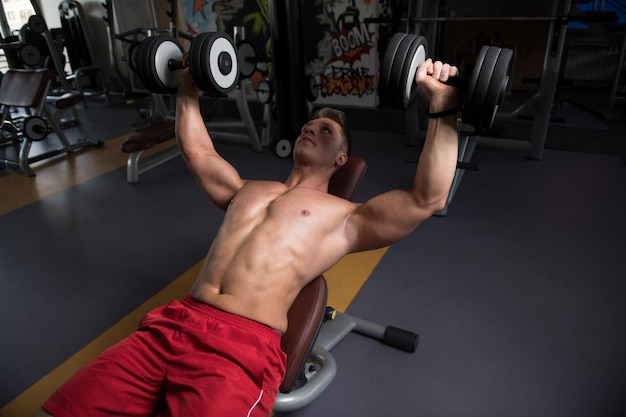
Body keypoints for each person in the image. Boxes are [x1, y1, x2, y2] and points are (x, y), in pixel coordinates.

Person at [37, 57, 461, 417]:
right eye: (308, 126)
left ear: (342, 159)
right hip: (171, 325)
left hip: (240, 349)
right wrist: (186, 86)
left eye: (326, 131)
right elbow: (198, 153)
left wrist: (441, 108)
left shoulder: (347, 218)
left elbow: (426, 197)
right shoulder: (248, 190)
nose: (310, 130)